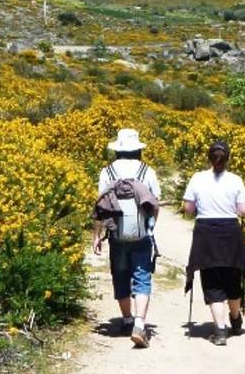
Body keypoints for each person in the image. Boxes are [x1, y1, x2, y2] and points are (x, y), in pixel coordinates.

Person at [93, 128, 161, 348]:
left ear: (118, 150)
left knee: (120, 275)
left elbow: (101, 207)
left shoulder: (107, 172)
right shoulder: (147, 171)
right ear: (138, 149)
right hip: (141, 235)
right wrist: (150, 227)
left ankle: (127, 320)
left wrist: (97, 236)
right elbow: (155, 204)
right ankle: (139, 324)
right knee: (142, 276)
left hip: (116, 235)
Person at [183, 140, 245, 346]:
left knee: (212, 282)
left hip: (206, 234)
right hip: (230, 233)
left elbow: (188, 209)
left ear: (209, 158)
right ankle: (235, 318)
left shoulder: (197, 178)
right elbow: (244, 210)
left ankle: (220, 331)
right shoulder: (236, 180)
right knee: (232, 279)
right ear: (228, 158)